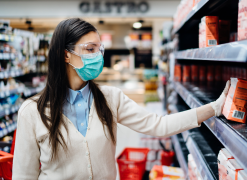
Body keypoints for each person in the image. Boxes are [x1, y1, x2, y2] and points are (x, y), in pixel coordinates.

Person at [12, 18, 230, 180]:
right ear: (65, 54)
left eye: (99, 49)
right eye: (90, 49)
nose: (98, 56)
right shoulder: (33, 111)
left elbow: (159, 125)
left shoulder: (109, 98)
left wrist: (214, 107)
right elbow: (24, 175)